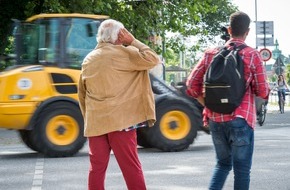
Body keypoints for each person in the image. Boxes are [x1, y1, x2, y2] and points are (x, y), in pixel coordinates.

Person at [186, 11, 270, 190]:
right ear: (247, 32)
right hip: (241, 119)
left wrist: (207, 104)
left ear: (229, 29)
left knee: (222, 165)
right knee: (242, 171)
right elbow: (263, 91)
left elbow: (191, 85)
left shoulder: (211, 54)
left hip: (215, 120)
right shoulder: (252, 55)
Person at [78, 19, 160, 190]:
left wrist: (89, 120)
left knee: (96, 170)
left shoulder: (88, 60)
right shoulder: (126, 54)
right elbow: (153, 59)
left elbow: (82, 95)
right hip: (121, 123)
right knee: (131, 168)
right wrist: (133, 41)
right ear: (119, 36)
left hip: (95, 123)